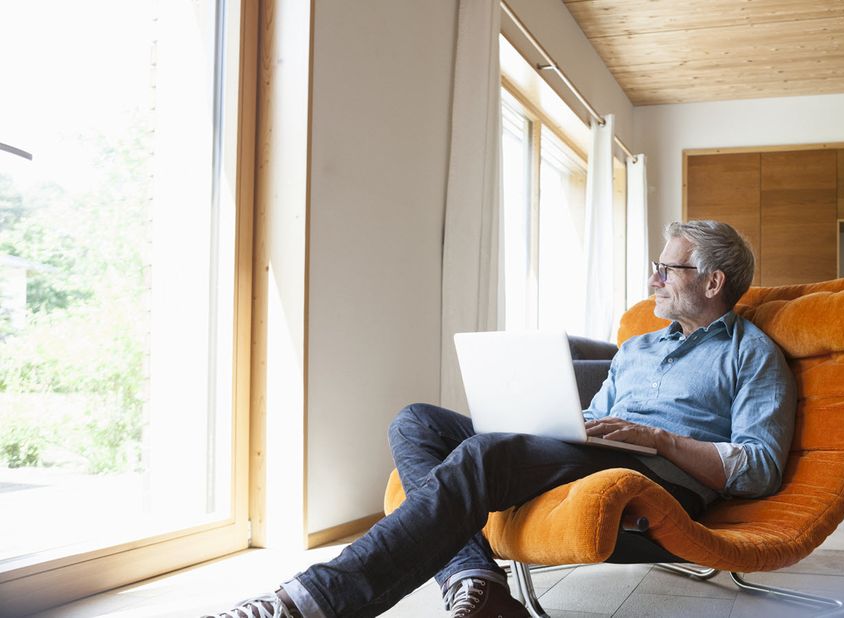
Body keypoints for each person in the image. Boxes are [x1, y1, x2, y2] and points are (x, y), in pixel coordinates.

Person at [207, 220, 796, 618]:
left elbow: (760, 467)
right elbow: (598, 415)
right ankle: (479, 581)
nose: (653, 280)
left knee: (484, 456)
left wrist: (660, 439)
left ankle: (309, 602)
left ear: (713, 282)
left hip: (659, 478)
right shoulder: (639, 347)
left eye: (666, 270)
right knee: (417, 422)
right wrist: (565, 421)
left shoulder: (751, 353)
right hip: (596, 452)